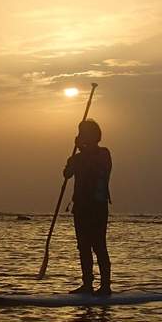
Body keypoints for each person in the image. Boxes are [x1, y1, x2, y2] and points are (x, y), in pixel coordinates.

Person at [63, 119, 112, 296]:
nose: (82, 136)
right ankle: (87, 284)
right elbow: (67, 174)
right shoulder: (78, 158)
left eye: (84, 133)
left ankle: (105, 285)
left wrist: (81, 151)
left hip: (97, 207)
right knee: (83, 246)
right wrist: (71, 161)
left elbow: (94, 165)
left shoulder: (103, 154)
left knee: (98, 245)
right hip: (81, 207)